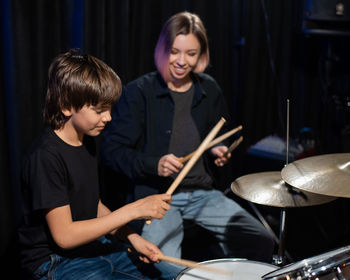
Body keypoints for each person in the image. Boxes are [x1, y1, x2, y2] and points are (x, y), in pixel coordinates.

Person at [102, 12, 274, 263]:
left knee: (260, 240)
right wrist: (155, 164)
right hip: (160, 197)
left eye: (191, 54)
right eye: (174, 52)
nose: (182, 61)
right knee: (166, 264)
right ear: (162, 50)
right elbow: (111, 151)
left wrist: (219, 150)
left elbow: (218, 137)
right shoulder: (139, 92)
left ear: (201, 55)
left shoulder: (209, 89)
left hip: (204, 193)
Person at [17, 49, 182, 280]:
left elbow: (92, 204)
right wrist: (134, 210)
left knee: (175, 275)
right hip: (54, 261)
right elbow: (64, 236)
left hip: (91, 247)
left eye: (110, 108)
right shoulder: (45, 156)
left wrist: (133, 238)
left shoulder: (87, 140)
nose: (109, 117)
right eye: (99, 110)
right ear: (66, 106)